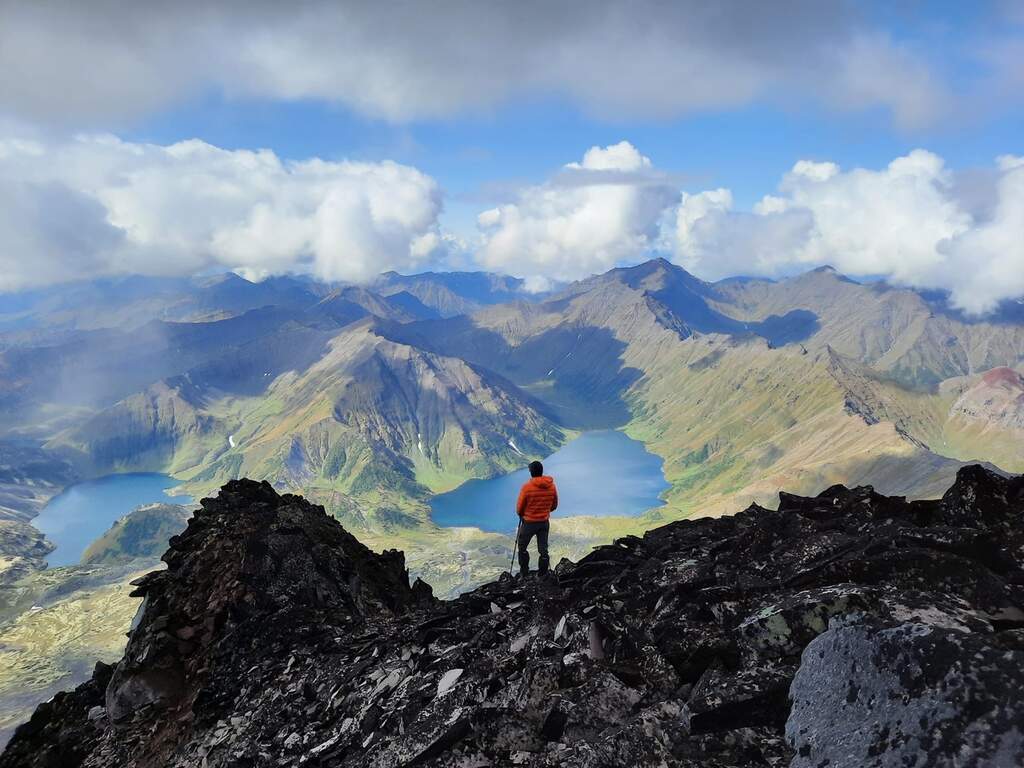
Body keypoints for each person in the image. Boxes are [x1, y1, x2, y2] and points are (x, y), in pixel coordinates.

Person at [515, 460, 558, 577]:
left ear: (531, 472)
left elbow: (519, 508)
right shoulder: (552, 486)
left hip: (529, 523)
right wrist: (543, 511)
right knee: (543, 550)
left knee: (522, 548)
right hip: (544, 522)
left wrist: (525, 514)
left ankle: (524, 573)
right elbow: (554, 505)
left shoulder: (527, 487)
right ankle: (543, 574)